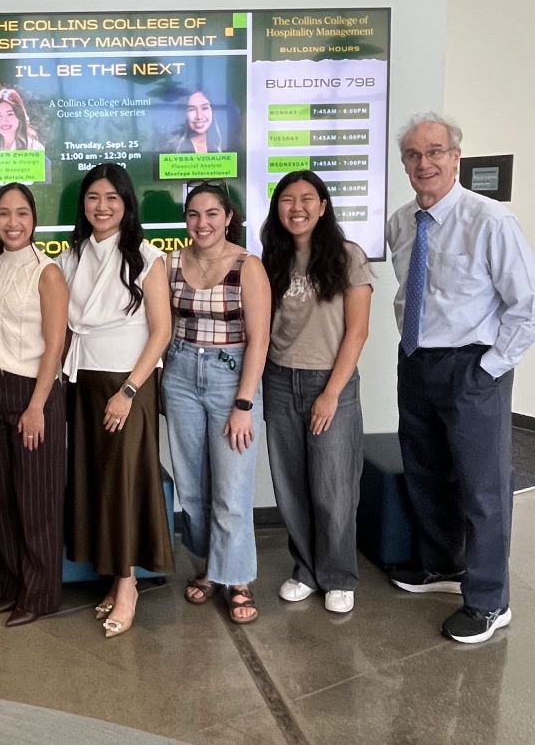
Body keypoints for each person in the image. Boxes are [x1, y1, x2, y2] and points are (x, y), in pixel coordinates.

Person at [387, 113, 535, 644]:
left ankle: (490, 601)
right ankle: (442, 564)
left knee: (483, 486)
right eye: (412, 154)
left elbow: (526, 306)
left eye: (434, 152)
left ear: (455, 157)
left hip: (473, 365)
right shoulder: (402, 222)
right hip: (417, 361)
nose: (423, 163)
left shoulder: (490, 220)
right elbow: (411, 292)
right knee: (426, 471)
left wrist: (489, 369)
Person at [57, 163, 173, 638]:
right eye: (93, 198)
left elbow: (161, 331)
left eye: (111, 198)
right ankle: (114, 575)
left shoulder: (147, 257)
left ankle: (128, 586)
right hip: (83, 381)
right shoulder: (72, 256)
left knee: (125, 481)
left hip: (128, 384)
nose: (101, 207)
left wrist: (128, 391)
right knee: (97, 481)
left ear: (127, 204)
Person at [260, 171, 372, 614]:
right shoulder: (272, 258)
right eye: (287, 200)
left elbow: (358, 332)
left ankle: (339, 575)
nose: (297, 207)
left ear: (323, 207)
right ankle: (306, 570)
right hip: (278, 380)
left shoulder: (348, 256)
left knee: (333, 487)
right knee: (291, 485)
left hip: (330, 383)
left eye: (307, 199)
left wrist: (331, 393)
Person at [162, 181, 270, 624]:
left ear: (228, 218)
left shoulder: (248, 265)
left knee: (232, 487)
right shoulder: (170, 263)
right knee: (192, 487)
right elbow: (162, 326)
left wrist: (244, 404)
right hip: (181, 375)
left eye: (211, 213)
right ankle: (211, 567)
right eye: (193, 214)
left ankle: (237, 578)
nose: (202, 223)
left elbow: (259, 339)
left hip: (231, 379)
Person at [0, 183, 68, 627]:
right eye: (4, 214)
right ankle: (13, 585)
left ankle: (40, 595)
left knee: (37, 502)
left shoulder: (47, 272)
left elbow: (55, 345)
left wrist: (37, 407)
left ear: (34, 219)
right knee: (3, 498)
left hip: (35, 393)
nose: (13, 223)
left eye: (22, 213)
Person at [169, 90, 225, 154]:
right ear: (185, 115)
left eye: (204, 108)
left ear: (212, 112)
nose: (199, 116)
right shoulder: (173, 147)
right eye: (192, 109)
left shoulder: (219, 147)